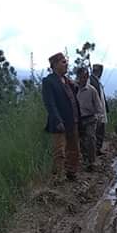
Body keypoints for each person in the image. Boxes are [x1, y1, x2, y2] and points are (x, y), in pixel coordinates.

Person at [41, 52, 81, 181]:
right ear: (55, 65)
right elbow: (50, 103)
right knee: (60, 152)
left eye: (66, 62)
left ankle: (71, 173)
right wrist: (57, 120)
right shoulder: (49, 81)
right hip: (60, 122)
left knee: (74, 149)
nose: (66, 64)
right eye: (63, 62)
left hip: (72, 121)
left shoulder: (68, 81)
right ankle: (59, 177)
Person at [76, 67, 102, 171]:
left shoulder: (92, 90)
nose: (84, 79)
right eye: (82, 77)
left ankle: (92, 161)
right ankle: (85, 160)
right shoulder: (74, 89)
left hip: (90, 118)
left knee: (91, 138)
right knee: (82, 141)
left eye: (86, 77)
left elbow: (98, 105)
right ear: (78, 77)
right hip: (79, 119)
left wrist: (100, 117)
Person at [90, 64, 108, 155]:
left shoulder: (96, 81)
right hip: (97, 111)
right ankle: (96, 150)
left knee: (100, 130)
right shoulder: (92, 81)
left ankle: (97, 149)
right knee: (98, 131)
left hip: (100, 110)